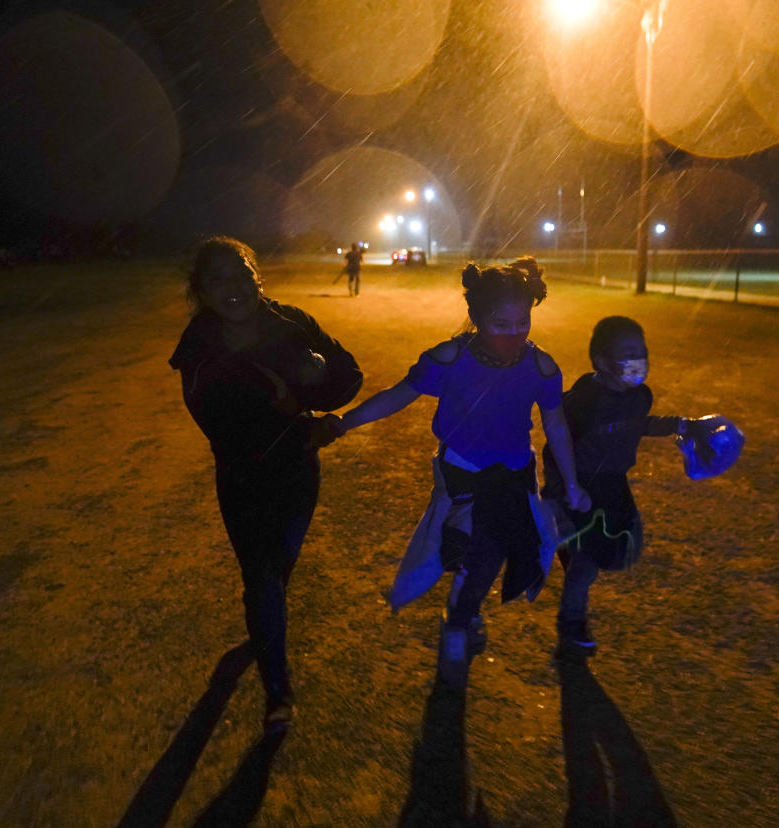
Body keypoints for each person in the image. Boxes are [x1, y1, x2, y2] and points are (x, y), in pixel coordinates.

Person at [316, 256, 590, 689]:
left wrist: (572, 482)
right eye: (501, 323)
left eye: (523, 322)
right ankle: (458, 623)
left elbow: (553, 423)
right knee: (473, 547)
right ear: (476, 317)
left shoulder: (541, 368)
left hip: (515, 474)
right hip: (462, 472)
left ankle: (465, 610)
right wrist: (345, 421)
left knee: (493, 551)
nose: (514, 334)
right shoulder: (449, 358)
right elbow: (399, 395)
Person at [169, 236, 362, 729]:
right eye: (218, 281)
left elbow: (349, 376)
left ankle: (262, 621)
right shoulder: (199, 343)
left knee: (280, 570)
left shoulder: (292, 322)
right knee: (261, 576)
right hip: (242, 479)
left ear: (257, 279)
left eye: (242, 277)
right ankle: (278, 691)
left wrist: (309, 390)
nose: (233, 290)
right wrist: (298, 402)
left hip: (299, 474)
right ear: (202, 292)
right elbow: (216, 418)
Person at [541, 316, 690, 656]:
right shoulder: (583, 401)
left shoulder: (639, 397)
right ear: (602, 362)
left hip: (613, 488)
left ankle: (567, 548)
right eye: (627, 353)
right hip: (579, 489)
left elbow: (639, 424)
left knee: (622, 548)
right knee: (587, 564)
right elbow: (557, 443)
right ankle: (571, 625)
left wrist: (681, 425)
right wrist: (565, 488)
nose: (638, 359)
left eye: (642, 351)